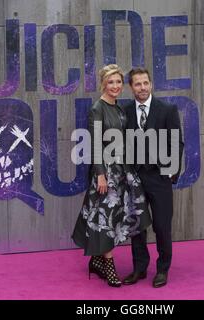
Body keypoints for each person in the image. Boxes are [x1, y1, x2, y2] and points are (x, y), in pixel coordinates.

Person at [72, 64, 152, 287]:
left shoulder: (117, 107)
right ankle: (108, 265)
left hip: (123, 170)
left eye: (118, 82)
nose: (115, 86)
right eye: (111, 82)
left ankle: (97, 261)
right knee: (105, 220)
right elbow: (95, 144)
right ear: (103, 84)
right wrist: (100, 175)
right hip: (106, 172)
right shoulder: (97, 108)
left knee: (121, 216)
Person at [123, 67, 184, 288]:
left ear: (151, 84)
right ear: (131, 87)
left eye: (145, 83)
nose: (142, 88)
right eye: (137, 84)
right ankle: (139, 268)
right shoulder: (125, 111)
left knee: (161, 225)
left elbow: (176, 142)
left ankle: (162, 269)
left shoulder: (167, 109)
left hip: (159, 178)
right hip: (135, 179)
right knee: (137, 226)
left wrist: (170, 171)